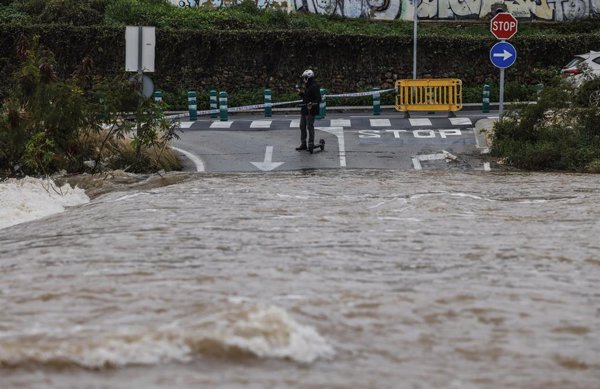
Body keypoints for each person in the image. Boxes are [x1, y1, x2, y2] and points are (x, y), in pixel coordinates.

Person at [295, 69, 322, 152]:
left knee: (310, 126)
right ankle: (303, 144)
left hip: (311, 110)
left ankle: (311, 144)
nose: (303, 79)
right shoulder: (308, 86)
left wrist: (312, 103)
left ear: (308, 78)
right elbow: (306, 97)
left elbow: (318, 99)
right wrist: (300, 93)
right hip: (304, 109)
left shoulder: (314, 86)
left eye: (304, 78)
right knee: (302, 126)